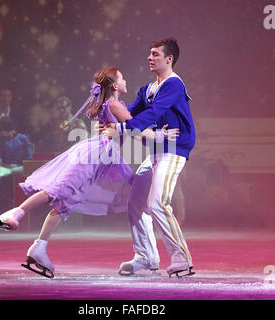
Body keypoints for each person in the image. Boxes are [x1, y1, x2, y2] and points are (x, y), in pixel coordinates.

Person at [0, 67, 179, 278]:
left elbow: (122, 128)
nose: (126, 81)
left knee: (67, 201)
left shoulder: (109, 105)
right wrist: (161, 135)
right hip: (94, 157)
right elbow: (134, 128)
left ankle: (38, 248)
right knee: (59, 190)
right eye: (122, 78)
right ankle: (15, 213)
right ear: (115, 85)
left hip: (102, 159)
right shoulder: (114, 104)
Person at [103, 37, 196, 278]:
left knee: (157, 203)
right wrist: (107, 117)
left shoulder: (174, 85)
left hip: (174, 150)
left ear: (169, 59)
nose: (150, 57)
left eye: (155, 54)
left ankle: (182, 259)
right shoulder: (147, 89)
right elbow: (130, 113)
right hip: (155, 152)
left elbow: (154, 112)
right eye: (150, 53)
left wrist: (122, 130)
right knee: (135, 202)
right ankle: (146, 256)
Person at [0, 117, 34, 216]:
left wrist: (25, 163)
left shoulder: (23, 139)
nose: (2, 134)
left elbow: (29, 156)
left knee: (23, 170)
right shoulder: (0, 140)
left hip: (20, 168)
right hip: (6, 168)